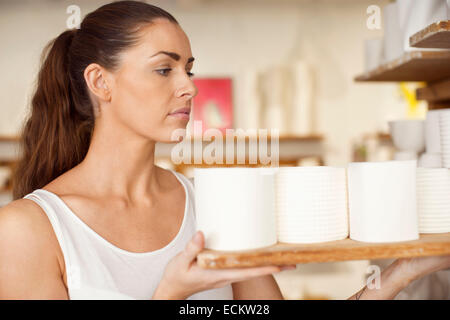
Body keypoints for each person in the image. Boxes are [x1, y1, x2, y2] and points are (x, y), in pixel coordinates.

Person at [0, 1, 448, 300]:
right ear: (100, 82)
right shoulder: (26, 231)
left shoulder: (210, 205)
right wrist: (171, 296)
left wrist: (400, 273)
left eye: (189, 69)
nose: (190, 87)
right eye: (163, 69)